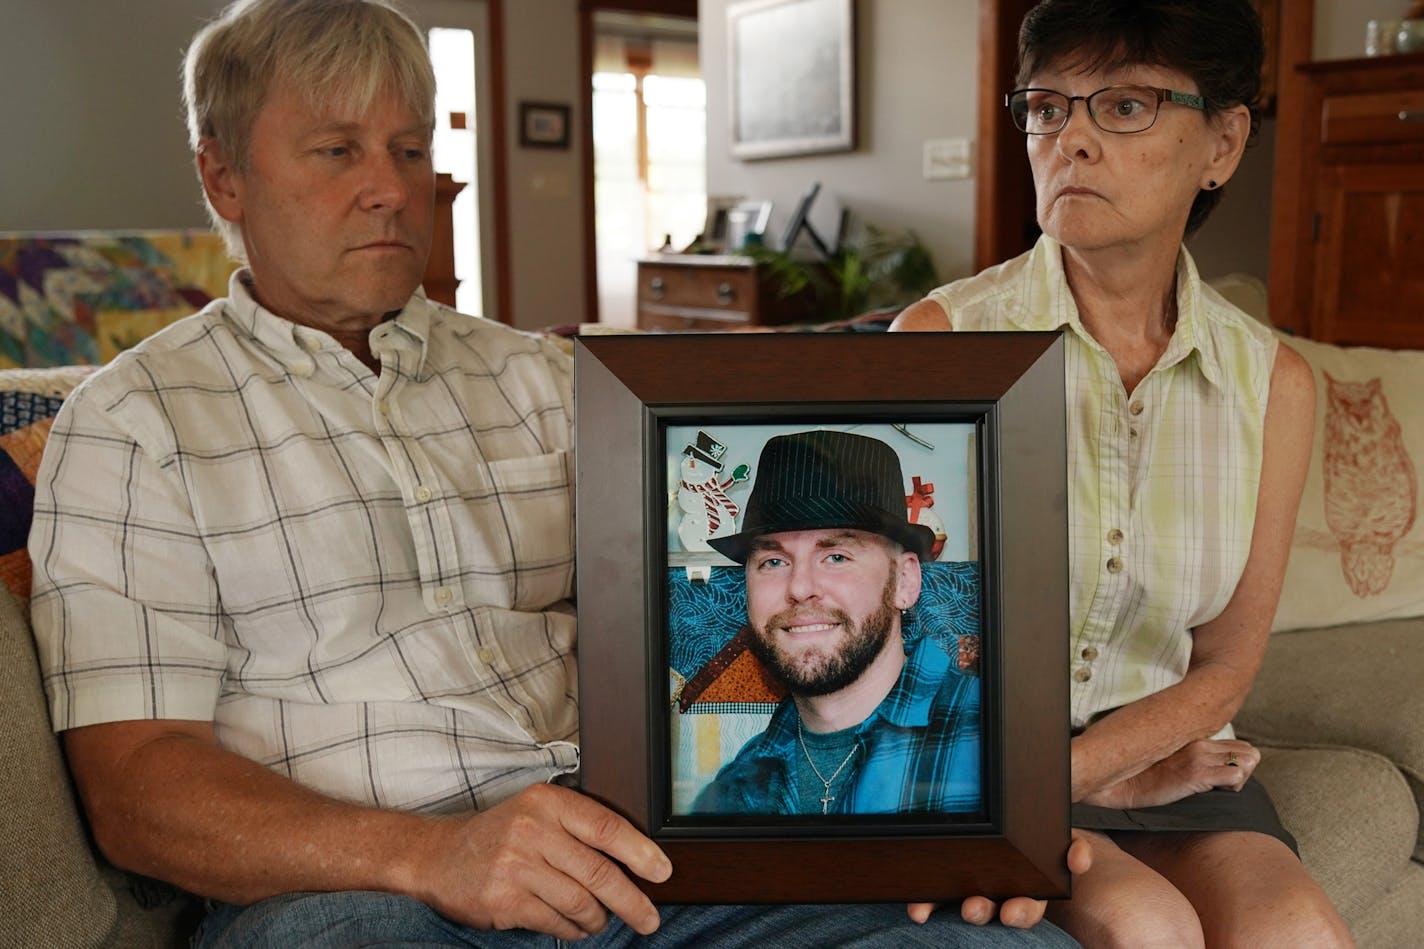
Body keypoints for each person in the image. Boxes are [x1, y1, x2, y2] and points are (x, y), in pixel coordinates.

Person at [27, 1, 1088, 944]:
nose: (390, 189)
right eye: (336, 151)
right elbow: (138, 786)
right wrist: (431, 856)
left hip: (644, 858)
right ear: (224, 174)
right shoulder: (132, 425)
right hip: (358, 893)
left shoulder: (556, 382)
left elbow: (742, 633)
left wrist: (946, 820)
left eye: (407, 147)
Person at [892, 1, 1353, 945]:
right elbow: (892, 633)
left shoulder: (1276, 385)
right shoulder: (941, 344)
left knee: (1299, 929)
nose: (1074, 141)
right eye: (1049, 107)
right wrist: (1032, 788)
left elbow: (1224, 663)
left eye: (1127, 106)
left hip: (1167, 765)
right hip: (975, 764)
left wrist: (1111, 768)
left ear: (1223, 142)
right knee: (1146, 927)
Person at [692, 429, 981, 817]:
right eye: (773, 562)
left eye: (837, 557)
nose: (800, 588)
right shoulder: (732, 793)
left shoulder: (991, 739)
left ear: (905, 581)